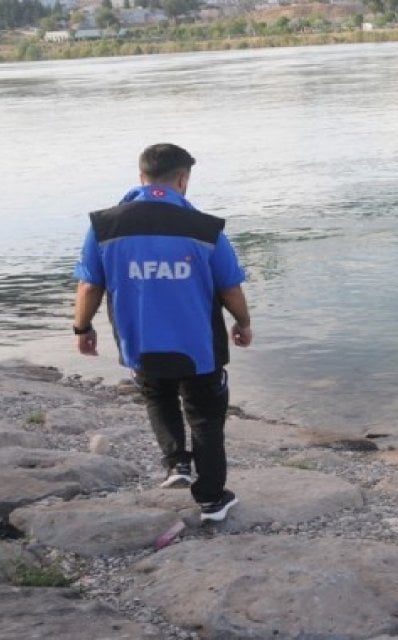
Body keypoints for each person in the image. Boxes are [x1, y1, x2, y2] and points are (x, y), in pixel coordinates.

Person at [72, 143, 252, 523]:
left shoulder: (104, 226)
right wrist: (243, 322)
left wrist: (82, 328)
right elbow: (230, 289)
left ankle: (176, 464)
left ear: (141, 178)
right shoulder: (205, 227)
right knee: (204, 418)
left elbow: (89, 286)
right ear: (182, 180)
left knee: (159, 396)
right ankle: (211, 499)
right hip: (199, 346)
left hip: (141, 342)